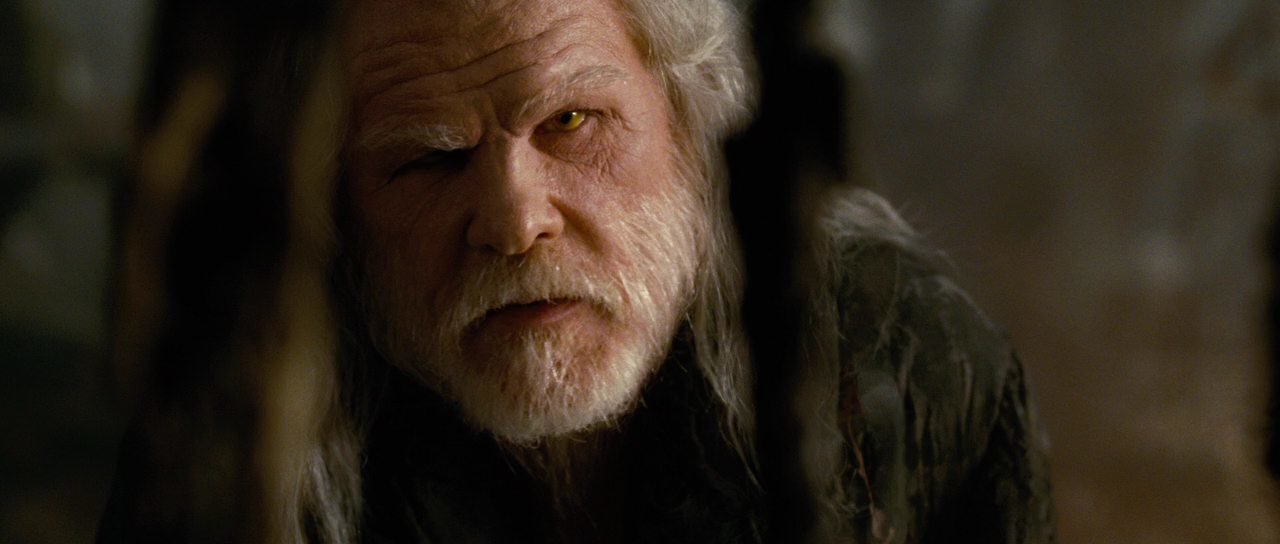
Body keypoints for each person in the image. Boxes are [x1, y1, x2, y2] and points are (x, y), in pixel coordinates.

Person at [100, 0, 1055, 542]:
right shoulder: (241, 414)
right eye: (430, 157)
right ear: (337, 212)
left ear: (692, 126)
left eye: (570, 122)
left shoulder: (894, 352)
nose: (515, 223)